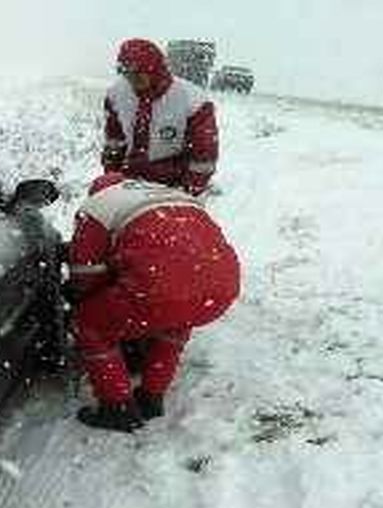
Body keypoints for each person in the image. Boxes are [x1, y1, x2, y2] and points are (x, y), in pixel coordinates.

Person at [67, 172, 241, 432]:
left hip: (159, 287)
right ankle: (151, 396)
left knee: (91, 324)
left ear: (96, 191)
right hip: (221, 285)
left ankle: (117, 407)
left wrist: (88, 299)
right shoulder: (173, 195)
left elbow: (86, 272)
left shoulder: (98, 207)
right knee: (177, 316)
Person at [102, 38, 219, 196]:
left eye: (138, 76)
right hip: (130, 182)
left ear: (155, 70)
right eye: (127, 75)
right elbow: (114, 141)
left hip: (175, 184)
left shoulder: (193, 101)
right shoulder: (116, 95)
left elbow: (203, 157)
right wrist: (112, 177)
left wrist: (188, 192)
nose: (132, 81)